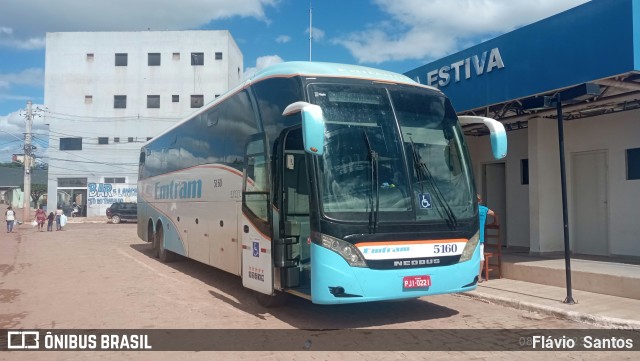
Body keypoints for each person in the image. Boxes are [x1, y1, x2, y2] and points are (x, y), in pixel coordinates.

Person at [477, 195, 496, 282]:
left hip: (471, 237)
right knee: (481, 257)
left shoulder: (470, 210)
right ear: (480, 201)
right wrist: (494, 222)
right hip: (481, 237)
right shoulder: (484, 209)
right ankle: (479, 276)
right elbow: (494, 214)